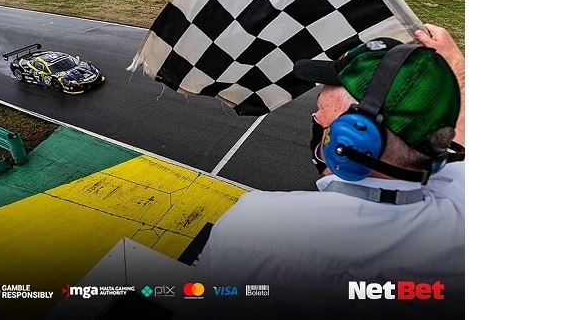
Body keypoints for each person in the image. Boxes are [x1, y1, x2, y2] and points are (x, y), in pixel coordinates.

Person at [176, 24, 465, 320]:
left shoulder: (253, 227)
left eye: (323, 112)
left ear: (352, 139)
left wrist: (459, 74)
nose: (315, 118)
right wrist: (457, 75)